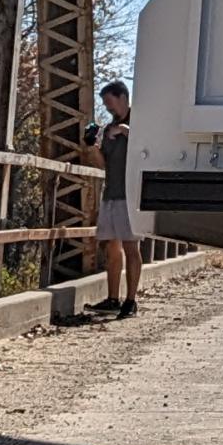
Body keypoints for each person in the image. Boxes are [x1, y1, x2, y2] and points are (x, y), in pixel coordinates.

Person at [84, 78, 141, 318]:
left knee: (131, 246)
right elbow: (102, 165)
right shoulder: (108, 130)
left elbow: (145, 143)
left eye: (109, 102)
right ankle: (112, 298)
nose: (107, 108)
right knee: (111, 247)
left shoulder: (141, 120)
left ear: (122, 98)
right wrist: (91, 146)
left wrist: (125, 131)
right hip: (112, 193)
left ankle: (131, 300)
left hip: (131, 195)